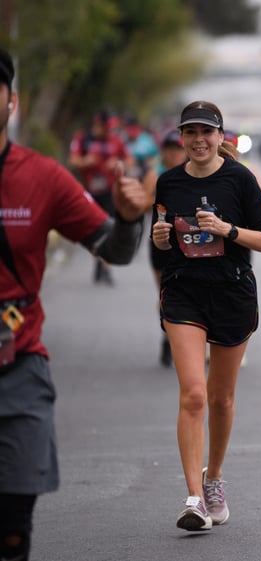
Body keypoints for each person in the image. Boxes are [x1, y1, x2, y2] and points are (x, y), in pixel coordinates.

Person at [0, 48, 148, 561]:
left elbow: (115, 251)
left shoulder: (41, 176)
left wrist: (131, 220)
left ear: (12, 101)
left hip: (16, 367)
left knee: (13, 528)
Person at [151, 101, 261, 531]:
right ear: (181, 139)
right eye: (190, 133)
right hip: (184, 293)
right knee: (194, 395)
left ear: (221, 137)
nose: (198, 141)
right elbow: (163, 239)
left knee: (220, 398)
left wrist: (227, 230)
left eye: (207, 132)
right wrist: (161, 238)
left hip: (232, 293)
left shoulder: (240, 179)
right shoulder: (168, 183)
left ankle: (214, 476)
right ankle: (194, 497)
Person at [68, 110, 136, 285]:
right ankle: (98, 261)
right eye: (106, 127)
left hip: (109, 191)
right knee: (93, 230)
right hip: (89, 191)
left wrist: (118, 164)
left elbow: (129, 161)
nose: (108, 131)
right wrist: (85, 161)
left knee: (109, 228)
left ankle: (106, 268)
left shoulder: (116, 141)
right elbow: (73, 160)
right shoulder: (83, 138)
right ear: (97, 124)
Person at [145, 130, 187, 367]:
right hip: (159, 241)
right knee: (166, 292)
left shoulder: (193, 174)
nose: (174, 154)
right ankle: (167, 336)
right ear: (164, 152)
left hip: (185, 242)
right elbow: (142, 203)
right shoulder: (155, 174)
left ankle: (187, 339)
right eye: (170, 149)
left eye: (178, 148)